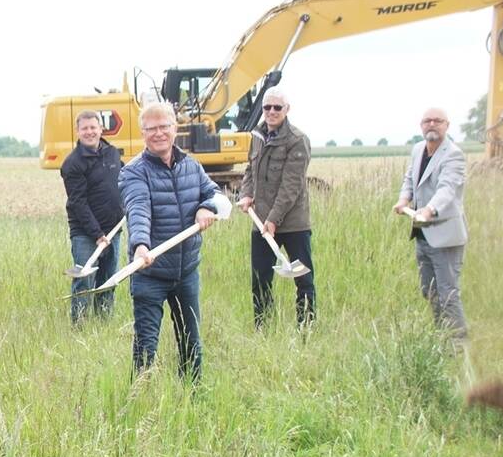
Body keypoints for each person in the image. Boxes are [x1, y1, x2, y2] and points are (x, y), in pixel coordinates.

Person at [119, 102, 220, 381]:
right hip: (149, 272)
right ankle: (138, 402)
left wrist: (206, 206)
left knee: (191, 342)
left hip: (186, 272)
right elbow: (138, 208)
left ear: (175, 128)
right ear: (143, 134)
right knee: (145, 347)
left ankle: (193, 397)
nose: (159, 133)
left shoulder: (192, 166)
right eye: (151, 128)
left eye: (164, 126)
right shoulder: (133, 172)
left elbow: (215, 194)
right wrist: (140, 244)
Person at [236, 87, 316, 327]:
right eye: (267, 107)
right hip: (260, 222)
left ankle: (306, 326)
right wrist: (246, 194)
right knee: (260, 279)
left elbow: (291, 185)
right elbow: (250, 170)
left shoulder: (297, 140)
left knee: (303, 277)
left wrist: (274, 218)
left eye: (277, 107)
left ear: (287, 110)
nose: (271, 112)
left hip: (293, 223)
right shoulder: (257, 136)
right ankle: (263, 327)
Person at [393, 108, 468, 340]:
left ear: (447, 125)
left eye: (437, 121)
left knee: (447, 293)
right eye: (427, 121)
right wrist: (404, 199)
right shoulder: (418, 149)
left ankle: (458, 344)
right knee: (429, 290)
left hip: (445, 235)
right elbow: (410, 179)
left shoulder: (453, 155)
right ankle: (442, 335)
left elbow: (447, 189)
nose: (432, 124)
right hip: (422, 234)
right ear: (421, 125)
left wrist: (429, 209)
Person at [60, 110, 124, 324]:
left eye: (93, 127)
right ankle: (79, 325)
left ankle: (103, 322)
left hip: (114, 230)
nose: (89, 132)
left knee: (108, 280)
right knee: (85, 280)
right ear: (77, 132)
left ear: (100, 129)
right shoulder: (72, 164)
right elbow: (77, 202)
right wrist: (97, 234)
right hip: (87, 234)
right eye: (84, 128)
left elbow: (122, 184)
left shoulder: (113, 153)